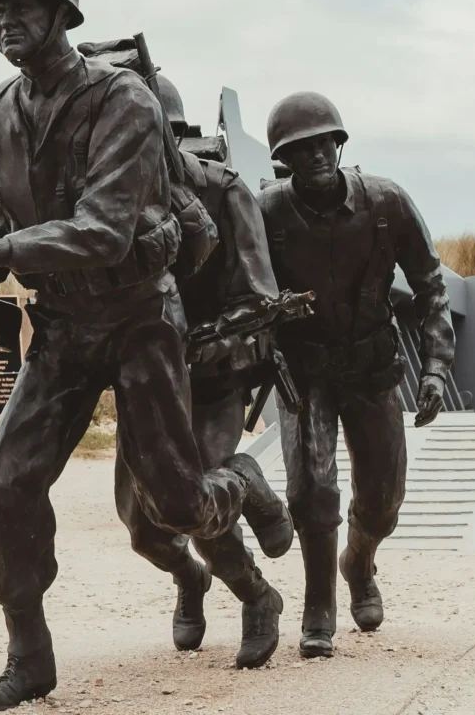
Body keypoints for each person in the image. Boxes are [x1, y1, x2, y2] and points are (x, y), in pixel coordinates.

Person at [0, 0, 292, 710]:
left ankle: (244, 510)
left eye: (22, 7)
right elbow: (7, 220)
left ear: (63, 15)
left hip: (138, 319)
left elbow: (104, 231)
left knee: (174, 505)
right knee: (3, 479)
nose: (5, 21)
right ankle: (30, 657)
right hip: (62, 324)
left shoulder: (123, 100)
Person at [256, 91, 455, 660]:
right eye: (302, 148)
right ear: (284, 159)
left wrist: (436, 366)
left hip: (371, 368)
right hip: (304, 371)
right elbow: (243, 289)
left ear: (339, 145)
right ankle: (318, 605)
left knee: (384, 498)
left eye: (325, 143)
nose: (317, 155)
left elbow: (430, 286)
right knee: (311, 491)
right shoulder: (266, 212)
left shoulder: (386, 202)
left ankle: (359, 563)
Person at [110, 71, 286, 669]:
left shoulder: (224, 191)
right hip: (146, 386)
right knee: (142, 528)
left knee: (195, 498)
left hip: (212, 378)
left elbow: (261, 294)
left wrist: (213, 339)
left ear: (171, 132)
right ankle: (190, 577)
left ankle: (257, 596)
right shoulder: (107, 201)